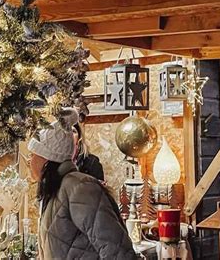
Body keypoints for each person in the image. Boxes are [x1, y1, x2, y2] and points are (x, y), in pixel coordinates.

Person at [27, 107, 139, 260]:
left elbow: (116, 250)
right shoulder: (55, 192)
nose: (29, 161)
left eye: (33, 155)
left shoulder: (80, 188)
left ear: (47, 158)